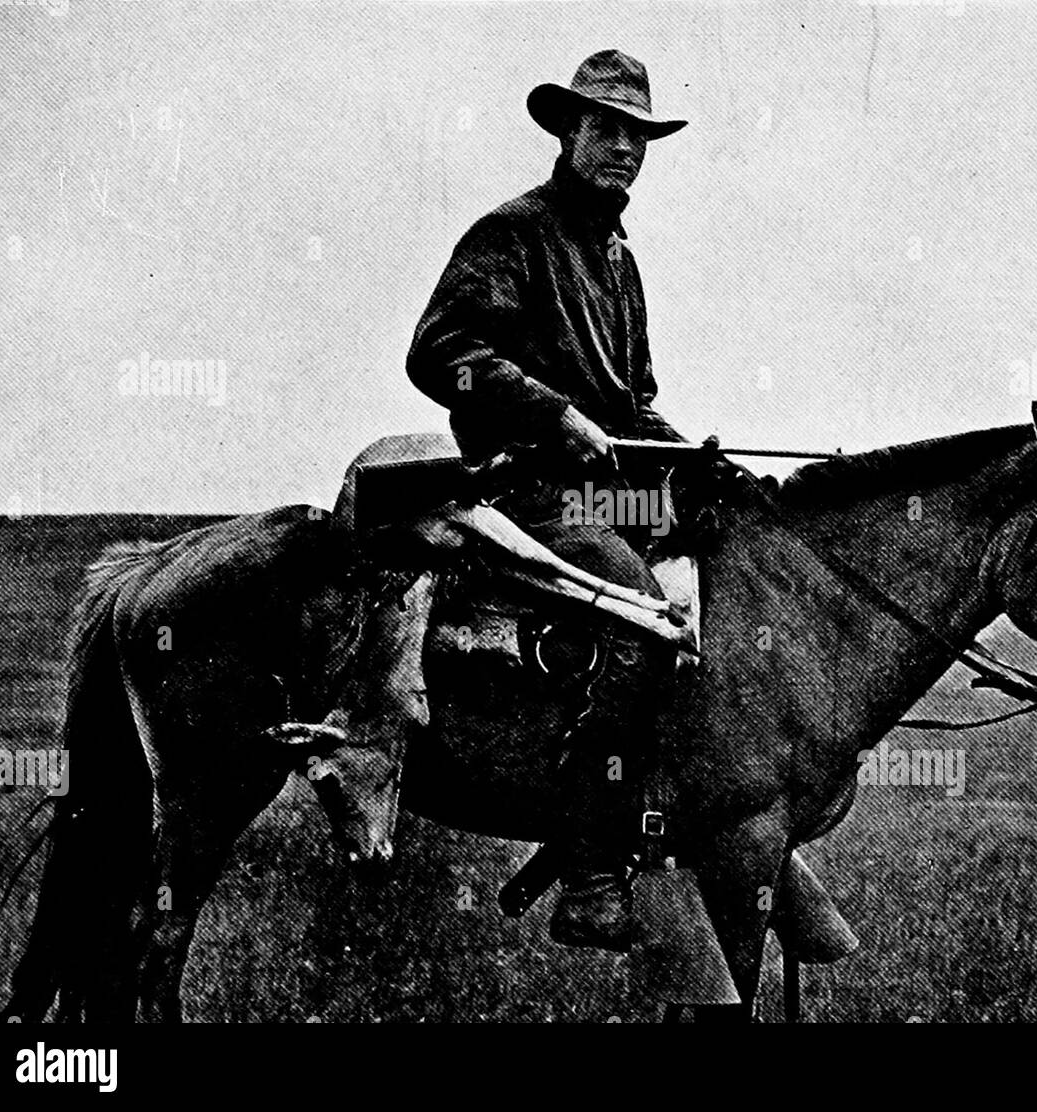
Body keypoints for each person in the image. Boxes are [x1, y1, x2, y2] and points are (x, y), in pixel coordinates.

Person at [406, 49, 690, 951]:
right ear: (568, 132)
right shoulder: (511, 234)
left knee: (736, 564)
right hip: (526, 493)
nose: (625, 150)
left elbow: (634, 404)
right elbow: (437, 353)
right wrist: (554, 414)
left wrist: (697, 460)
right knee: (640, 616)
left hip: (608, 494)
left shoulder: (619, 260)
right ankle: (593, 872)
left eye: (638, 136)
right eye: (607, 130)